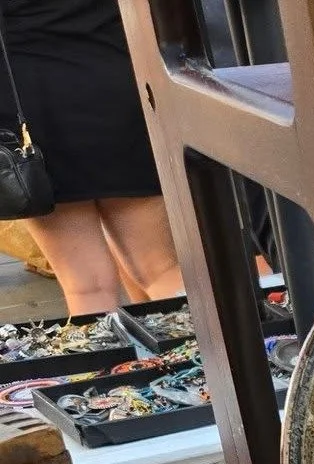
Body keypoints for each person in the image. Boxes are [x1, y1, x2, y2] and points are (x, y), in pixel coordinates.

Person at [0, 0, 184, 315]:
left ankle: (111, 364)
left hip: (33, 119)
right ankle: (207, 359)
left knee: (86, 287)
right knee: (161, 269)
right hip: (119, 90)